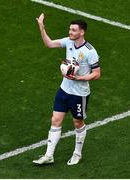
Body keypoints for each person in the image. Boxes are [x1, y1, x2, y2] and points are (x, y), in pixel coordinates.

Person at [33, 13, 101, 166]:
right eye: (70, 29)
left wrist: (79, 78)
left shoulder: (90, 51)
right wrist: (41, 27)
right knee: (55, 120)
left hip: (79, 94)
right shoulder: (68, 42)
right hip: (64, 90)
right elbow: (49, 44)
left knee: (78, 122)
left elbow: (97, 74)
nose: (70, 32)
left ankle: (77, 154)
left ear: (81, 32)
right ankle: (49, 155)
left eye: (73, 30)